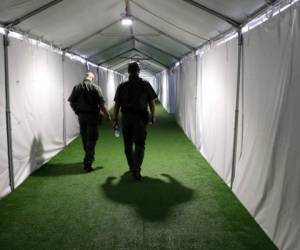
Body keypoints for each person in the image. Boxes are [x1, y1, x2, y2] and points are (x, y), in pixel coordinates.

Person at [113, 62, 157, 180]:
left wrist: (115, 119)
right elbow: (151, 102)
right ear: (138, 71)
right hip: (140, 118)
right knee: (139, 144)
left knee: (127, 144)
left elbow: (117, 105)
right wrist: (153, 115)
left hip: (126, 117)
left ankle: (131, 166)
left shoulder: (122, 86)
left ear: (128, 72)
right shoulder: (145, 84)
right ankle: (136, 169)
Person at [68, 72, 111, 172]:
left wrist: (76, 111)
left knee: (85, 137)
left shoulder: (77, 87)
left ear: (85, 77)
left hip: (81, 116)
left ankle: (89, 156)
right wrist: (107, 116)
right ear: (92, 78)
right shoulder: (96, 88)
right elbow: (102, 104)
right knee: (92, 139)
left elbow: (71, 102)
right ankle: (88, 162)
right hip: (92, 116)